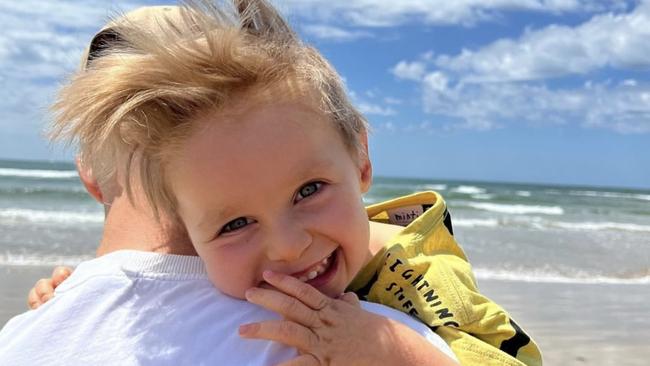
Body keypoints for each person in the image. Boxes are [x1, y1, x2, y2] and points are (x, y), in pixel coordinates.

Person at [23, 0, 542, 365]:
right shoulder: (224, 257)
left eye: (309, 190)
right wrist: (70, 285)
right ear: (182, 223)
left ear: (361, 159)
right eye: (235, 223)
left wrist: (390, 350)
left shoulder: (416, 270)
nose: (289, 246)